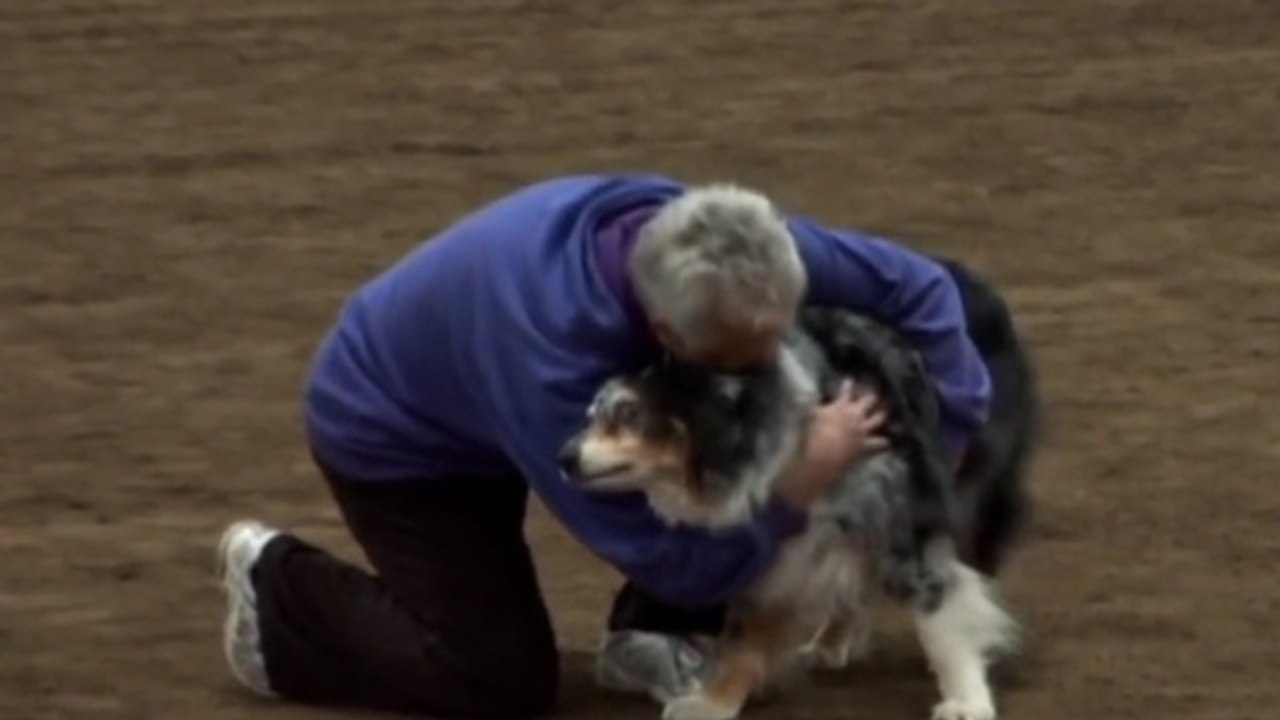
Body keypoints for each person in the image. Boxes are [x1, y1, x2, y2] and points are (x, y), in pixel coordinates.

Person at [215, 174, 992, 718]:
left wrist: (946, 435)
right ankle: (281, 595)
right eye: (734, 356)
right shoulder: (551, 357)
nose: (763, 366)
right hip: (401, 437)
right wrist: (797, 485)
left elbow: (919, 286)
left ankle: (648, 634)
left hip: (490, 367)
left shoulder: (735, 246)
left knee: (721, 439)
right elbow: (676, 557)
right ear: (662, 335)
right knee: (498, 680)